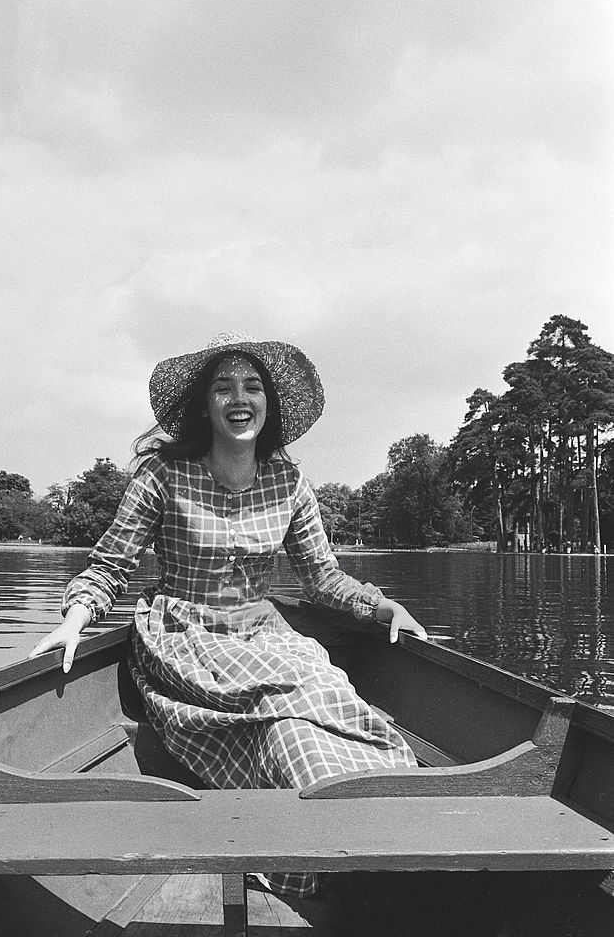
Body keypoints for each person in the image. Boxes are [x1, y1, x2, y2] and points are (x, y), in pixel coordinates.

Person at [29, 331, 428, 900]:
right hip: (184, 637)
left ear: (269, 403)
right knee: (284, 727)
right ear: (204, 406)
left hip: (264, 635)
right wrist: (75, 619)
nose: (239, 399)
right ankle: (311, 850)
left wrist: (381, 606)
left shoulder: (290, 483)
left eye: (253, 387)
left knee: (328, 692)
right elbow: (110, 564)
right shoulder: (162, 475)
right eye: (223, 387)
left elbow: (322, 578)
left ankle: (381, 820)